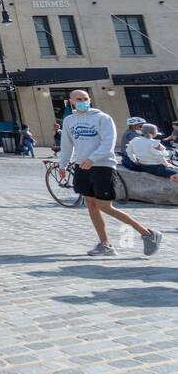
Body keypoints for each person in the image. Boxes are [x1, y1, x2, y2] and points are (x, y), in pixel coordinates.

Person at [57, 89, 162, 257]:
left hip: (102, 166)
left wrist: (93, 158)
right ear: (71, 102)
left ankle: (148, 233)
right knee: (91, 204)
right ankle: (105, 244)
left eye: (85, 98)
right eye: (79, 99)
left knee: (105, 206)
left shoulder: (102, 118)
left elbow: (108, 142)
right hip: (81, 166)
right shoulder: (69, 120)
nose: (83, 101)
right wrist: (62, 166)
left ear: (90, 99)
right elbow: (67, 145)